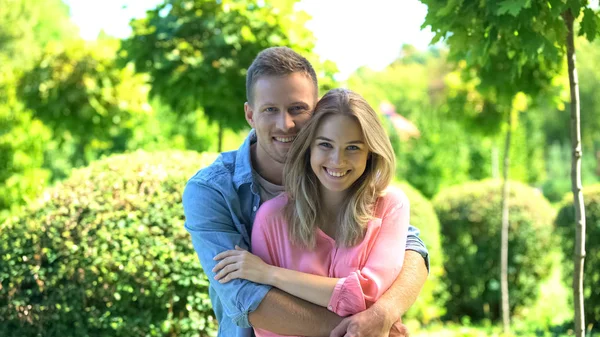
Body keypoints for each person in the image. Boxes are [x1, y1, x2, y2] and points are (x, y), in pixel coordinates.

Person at [183, 47, 429, 337]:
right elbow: (250, 301)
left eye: (297, 109)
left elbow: (411, 247)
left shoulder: (345, 179)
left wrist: (382, 313)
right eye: (270, 110)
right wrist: (365, 331)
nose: (285, 124)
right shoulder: (211, 191)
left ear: (316, 112)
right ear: (250, 114)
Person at [212, 88, 411, 337]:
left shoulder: (391, 206)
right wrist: (363, 325)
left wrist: (270, 274)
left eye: (353, 148)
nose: (337, 160)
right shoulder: (271, 218)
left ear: (370, 152)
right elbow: (269, 325)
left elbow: (365, 294)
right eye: (325, 145)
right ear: (308, 148)